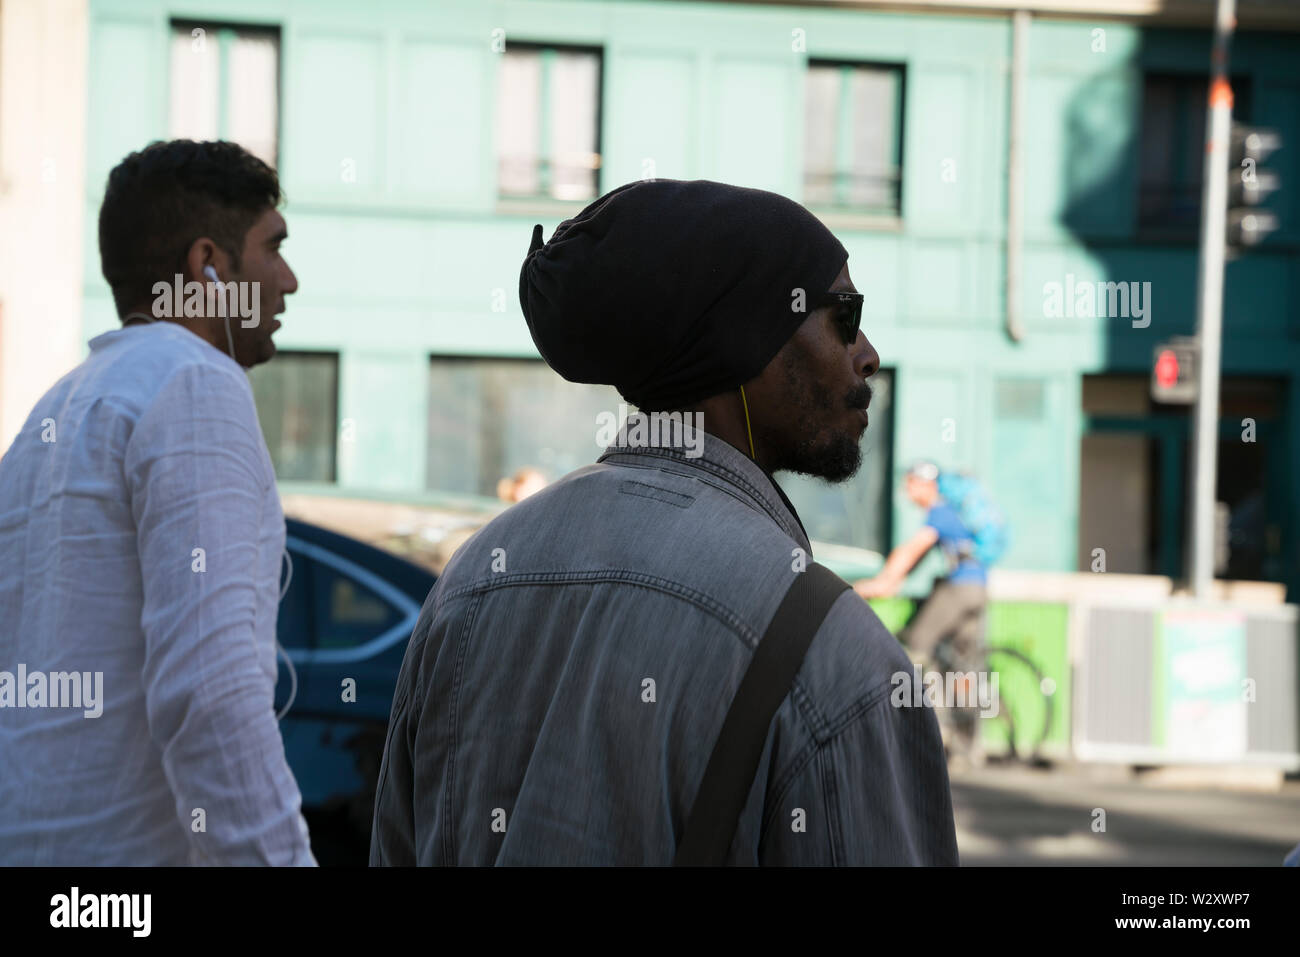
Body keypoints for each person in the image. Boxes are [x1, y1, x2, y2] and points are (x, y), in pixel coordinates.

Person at [371, 179, 958, 865]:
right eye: (844, 315)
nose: (867, 352)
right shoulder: (828, 649)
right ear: (744, 337)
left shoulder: (473, 580)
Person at [0, 140, 315, 865]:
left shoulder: (51, 413)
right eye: (274, 247)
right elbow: (212, 694)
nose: (290, 279)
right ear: (210, 266)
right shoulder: (195, 385)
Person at [853, 461, 991, 762]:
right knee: (961, 665)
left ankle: (931, 729)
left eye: (910, 484)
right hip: (978, 590)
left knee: (915, 645)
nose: (906, 491)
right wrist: (894, 580)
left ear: (924, 484)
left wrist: (882, 582)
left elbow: (912, 550)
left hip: (959, 589)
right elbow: (918, 558)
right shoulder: (952, 513)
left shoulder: (939, 512)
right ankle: (968, 747)